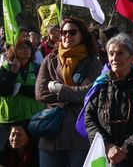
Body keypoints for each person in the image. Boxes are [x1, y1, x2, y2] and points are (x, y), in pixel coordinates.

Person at [35, 17, 102, 167]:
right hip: (51, 134)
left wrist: (58, 88)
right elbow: (41, 93)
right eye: (64, 32)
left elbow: (91, 93)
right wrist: (77, 91)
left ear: (82, 35)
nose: (67, 36)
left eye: (72, 32)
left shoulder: (92, 62)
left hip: (78, 136)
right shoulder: (49, 60)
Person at [85, 33, 133, 166]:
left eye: (120, 53)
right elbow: (89, 117)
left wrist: (126, 148)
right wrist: (107, 146)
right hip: (106, 156)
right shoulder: (101, 84)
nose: (114, 58)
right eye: (111, 53)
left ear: (132, 57)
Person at [0, 37, 44, 165]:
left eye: (28, 47)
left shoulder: (37, 68)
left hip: (33, 118)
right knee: (7, 157)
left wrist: (18, 88)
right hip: (10, 119)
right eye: (21, 47)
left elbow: (39, 91)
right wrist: (13, 72)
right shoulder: (5, 68)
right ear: (14, 50)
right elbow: (4, 91)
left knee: (32, 155)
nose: (26, 50)